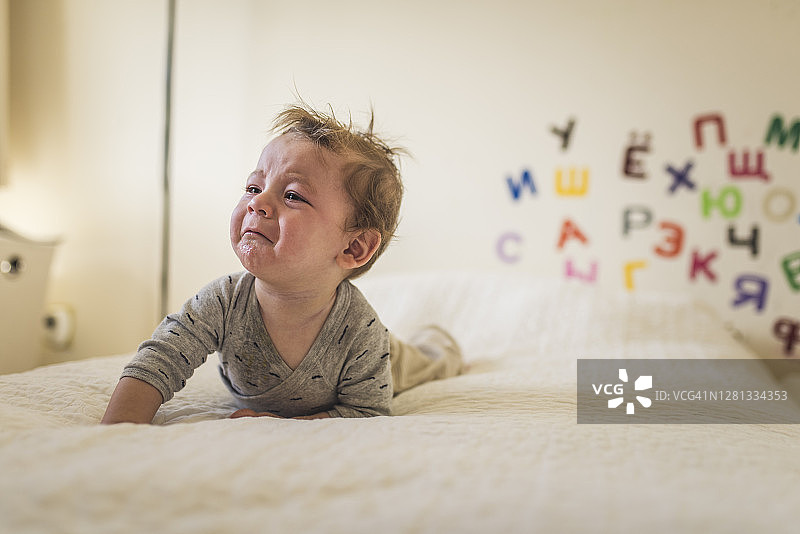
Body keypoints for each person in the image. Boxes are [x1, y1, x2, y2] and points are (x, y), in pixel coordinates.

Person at [101, 103, 463, 424]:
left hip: (390, 362)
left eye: (292, 195)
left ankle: (441, 341)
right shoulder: (223, 303)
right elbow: (160, 358)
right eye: (254, 188)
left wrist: (282, 422)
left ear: (353, 247)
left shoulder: (359, 330)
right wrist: (119, 431)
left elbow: (367, 412)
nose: (258, 204)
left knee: (430, 360)